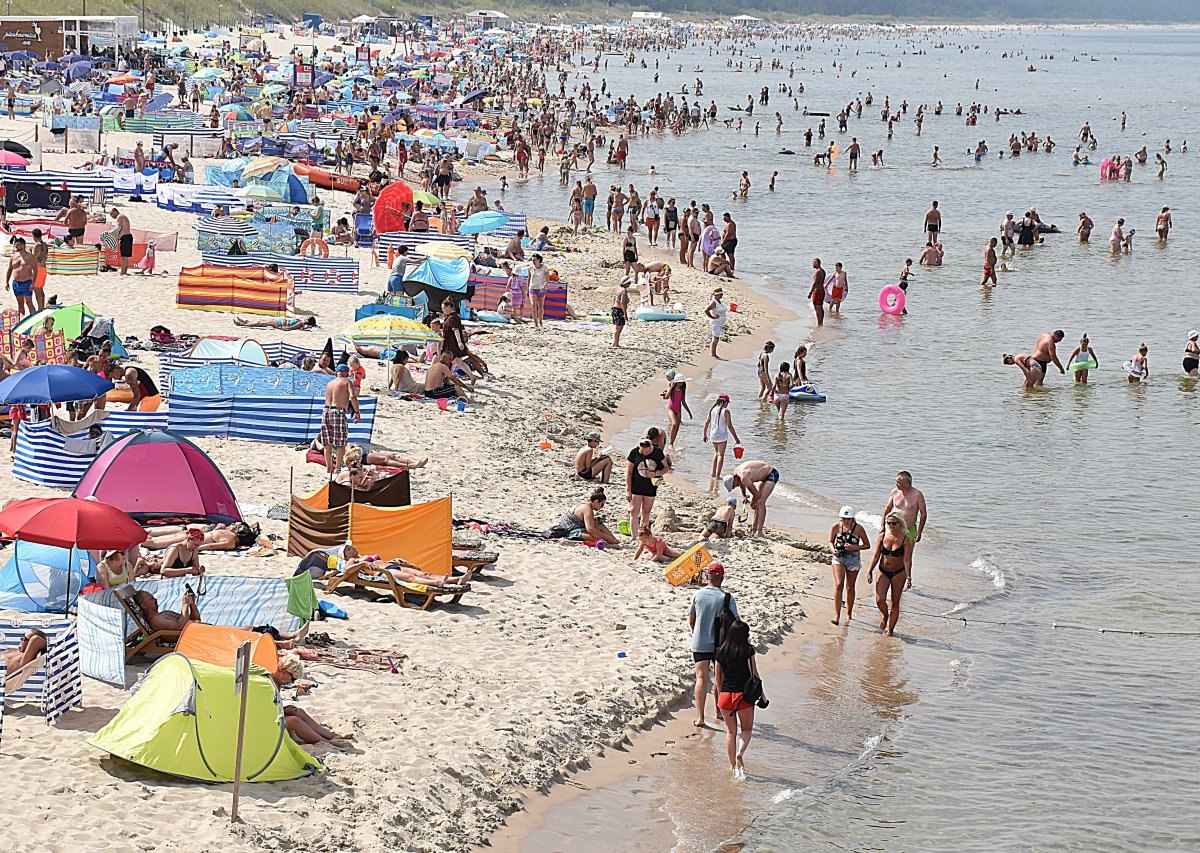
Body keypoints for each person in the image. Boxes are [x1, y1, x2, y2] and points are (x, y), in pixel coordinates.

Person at [688, 561, 738, 728]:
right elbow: (736, 622)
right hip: (720, 644)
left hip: (700, 641)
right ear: (722, 578)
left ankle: (700, 718)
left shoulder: (697, 594)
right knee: (719, 679)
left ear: (707, 577)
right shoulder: (727, 598)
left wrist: (697, 632)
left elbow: (692, 619)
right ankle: (718, 712)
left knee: (701, 678)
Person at [715, 617, 765, 779]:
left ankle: (732, 766)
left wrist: (720, 695)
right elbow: (754, 674)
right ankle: (740, 752)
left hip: (725, 696)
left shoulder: (720, 651)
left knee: (730, 732)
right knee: (746, 729)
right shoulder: (748, 650)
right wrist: (762, 695)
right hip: (743, 697)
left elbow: (717, 679)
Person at [868, 512, 913, 637]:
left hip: (899, 572)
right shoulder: (882, 536)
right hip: (883, 570)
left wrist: (909, 577)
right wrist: (870, 570)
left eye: (894, 523)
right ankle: (885, 615)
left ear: (900, 524)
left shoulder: (905, 539)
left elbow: (907, 560)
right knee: (879, 599)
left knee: (895, 602)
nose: (891, 526)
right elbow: (876, 555)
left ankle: (890, 630)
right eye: (889, 523)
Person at [829, 506, 870, 625]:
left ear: (852, 519)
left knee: (850, 587)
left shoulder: (859, 529)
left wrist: (855, 547)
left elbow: (867, 545)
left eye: (848, 519)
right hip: (839, 557)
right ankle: (837, 615)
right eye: (843, 518)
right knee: (838, 584)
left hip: (853, 559)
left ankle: (849, 613)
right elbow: (831, 541)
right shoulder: (836, 527)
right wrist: (832, 550)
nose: (845, 521)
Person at [321, 364, 361, 474]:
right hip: (338, 412)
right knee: (341, 442)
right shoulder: (347, 382)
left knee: (327, 442)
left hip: (326, 411)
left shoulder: (330, 383)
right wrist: (357, 412)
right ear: (347, 373)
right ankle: (337, 468)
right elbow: (352, 396)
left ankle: (328, 467)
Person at [627, 435, 668, 537]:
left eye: (647, 452)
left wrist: (655, 473)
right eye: (642, 451)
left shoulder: (657, 453)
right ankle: (634, 535)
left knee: (646, 511)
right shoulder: (634, 452)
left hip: (651, 486)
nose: (644, 453)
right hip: (636, 485)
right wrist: (628, 490)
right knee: (634, 511)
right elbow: (628, 472)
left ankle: (643, 535)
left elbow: (666, 468)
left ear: (651, 447)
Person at [547, 488, 619, 546]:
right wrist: (607, 538)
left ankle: (614, 540)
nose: (602, 507)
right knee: (601, 540)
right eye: (602, 504)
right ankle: (612, 540)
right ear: (596, 502)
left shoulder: (585, 506)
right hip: (569, 531)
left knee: (598, 524)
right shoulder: (587, 509)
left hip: (574, 528)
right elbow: (591, 529)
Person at [724, 460, 778, 536]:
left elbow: (757, 495)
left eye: (734, 486)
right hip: (763, 474)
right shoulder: (736, 473)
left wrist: (752, 502)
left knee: (760, 502)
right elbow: (741, 483)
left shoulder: (744, 477)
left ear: (734, 480)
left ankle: (759, 532)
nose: (736, 487)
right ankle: (754, 529)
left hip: (771, 473)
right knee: (757, 503)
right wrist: (743, 495)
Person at [702, 393, 740, 486]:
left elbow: (706, 423)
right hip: (722, 436)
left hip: (713, 435)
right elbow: (730, 426)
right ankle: (718, 475)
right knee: (721, 455)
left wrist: (704, 434)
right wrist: (736, 438)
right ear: (725, 402)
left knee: (716, 453)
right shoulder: (726, 411)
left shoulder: (712, 409)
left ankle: (713, 473)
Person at [133, 587, 202, 633]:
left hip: (199, 630)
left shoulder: (164, 614)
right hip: (191, 636)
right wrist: (185, 604)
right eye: (151, 598)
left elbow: (195, 618)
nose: (155, 599)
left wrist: (192, 603)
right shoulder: (156, 621)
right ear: (144, 606)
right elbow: (180, 627)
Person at [6, 236, 35, 317]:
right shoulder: (13, 256)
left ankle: (35, 320)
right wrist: (7, 282)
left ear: (23, 245)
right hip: (16, 283)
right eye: (15, 245)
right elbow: (10, 269)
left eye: (17, 245)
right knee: (20, 303)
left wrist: (33, 283)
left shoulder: (30, 257)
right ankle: (21, 322)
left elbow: (35, 270)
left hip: (26, 282)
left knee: (29, 303)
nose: (16, 246)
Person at [662, 373, 692, 448]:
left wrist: (689, 412)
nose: (680, 384)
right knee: (674, 424)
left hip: (678, 410)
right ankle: (670, 443)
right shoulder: (671, 387)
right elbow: (667, 396)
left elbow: (683, 401)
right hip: (671, 409)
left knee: (677, 427)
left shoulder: (682, 389)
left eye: (682, 382)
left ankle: (671, 443)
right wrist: (671, 387)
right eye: (679, 382)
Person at [705, 287, 728, 358]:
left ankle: (713, 353)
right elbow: (706, 310)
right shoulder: (714, 302)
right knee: (716, 338)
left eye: (721, 294)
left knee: (716, 338)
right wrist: (712, 317)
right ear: (716, 295)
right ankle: (713, 353)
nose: (721, 295)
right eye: (720, 294)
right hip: (716, 322)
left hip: (720, 322)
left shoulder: (719, 302)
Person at [110, 208, 133, 275]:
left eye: (111, 214)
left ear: (115, 211)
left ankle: (123, 272)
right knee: (125, 256)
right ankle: (124, 272)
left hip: (125, 237)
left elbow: (121, 230)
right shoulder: (122, 216)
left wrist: (117, 238)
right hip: (127, 237)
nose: (111, 216)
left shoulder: (120, 217)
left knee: (124, 257)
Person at [611, 275, 630, 348]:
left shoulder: (618, 289)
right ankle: (616, 344)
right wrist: (625, 314)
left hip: (614, 309)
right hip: (619, 310)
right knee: (619, 328)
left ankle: (615, 343)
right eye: (628, 282)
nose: (630, 284)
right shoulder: (623, 291)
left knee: (617, 327)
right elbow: (623, 303)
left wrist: (612, 307)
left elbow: (613, 298)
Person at [808, 258, 826, 326]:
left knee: (817, 307)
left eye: (813, 263)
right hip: (822, 290)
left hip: (818, 291)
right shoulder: (823, 271)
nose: (812, 264)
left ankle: (819, 323)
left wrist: (810, 292)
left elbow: (815, 283)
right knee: (820, 307)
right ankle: (821, 322)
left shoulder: (817, 272)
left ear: (817, 263)